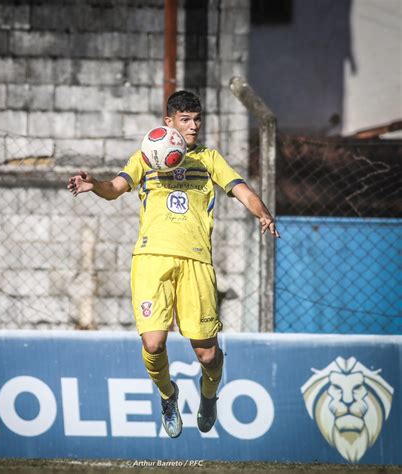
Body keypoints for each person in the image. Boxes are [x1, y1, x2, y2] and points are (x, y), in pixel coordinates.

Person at [67, 90, 279, 439]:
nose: (193, 126)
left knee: (208, 355)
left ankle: (208, 396)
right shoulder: (146, 156)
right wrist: (94, 186)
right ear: (169, 123)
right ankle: (169, 396)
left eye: (197, 120)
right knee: (153, 344)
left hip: (196, 262)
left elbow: (242, 190)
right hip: (151, 259)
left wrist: (263, 213)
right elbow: (116, 187)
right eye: (185, 120)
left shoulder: (209, 159)